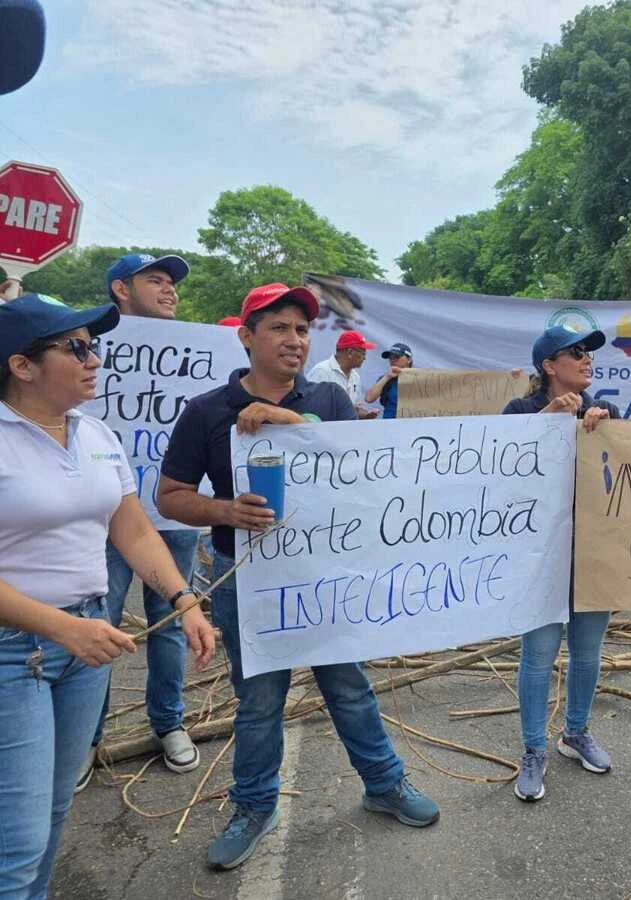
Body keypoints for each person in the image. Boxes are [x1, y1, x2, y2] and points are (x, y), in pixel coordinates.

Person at [157, 283, 439, 871]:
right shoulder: (208, 411)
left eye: (303, 330)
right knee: (259, 700)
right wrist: (224, 510)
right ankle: (255, 806)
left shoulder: (329, 401)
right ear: (247, 337)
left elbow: (361, 477)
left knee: (349, 685)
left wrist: (292, 420)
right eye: (279, 328)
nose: (294, 340)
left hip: (323, 576)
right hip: (245, 579)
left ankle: (384, 785)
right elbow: (171, 496)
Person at [0, 294, 213, 898]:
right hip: (15, 653)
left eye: (94, 345)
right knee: (14, 841)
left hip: (84, 646)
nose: (95, 358)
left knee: (53, 813)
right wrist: (61, 628)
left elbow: (134, 529)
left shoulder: (96, 433)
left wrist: (184, 599)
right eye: (77, 347)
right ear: (22, 366)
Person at [79, 252, 204, 791]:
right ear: (120, 290)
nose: (169, 289)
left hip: (173, 514)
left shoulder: (204, 354)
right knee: (97, 627)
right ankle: (86, 737)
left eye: (172, 282)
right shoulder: (85, 345)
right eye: (155, 280)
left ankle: (168, 723)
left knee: (172, 623)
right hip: (102, 518)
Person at [502, 325, 618, 802]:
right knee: (538, 657)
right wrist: (548, 420)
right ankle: (533, 750)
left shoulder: (604, 409)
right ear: (549, 366)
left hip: (593, 551)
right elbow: (502, 470)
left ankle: (576, 733)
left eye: (588, 353)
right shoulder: (520, 412)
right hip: (541, 555)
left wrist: (610, 430)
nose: (586, 360)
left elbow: (623, 476)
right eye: (575, 353)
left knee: (588, 653)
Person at [306, 330, 379, 419]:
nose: (364, 358)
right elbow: (308, 408)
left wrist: (365, 415)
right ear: (350, 352)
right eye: (363, 353)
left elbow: (353, 409)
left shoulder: (355, 377)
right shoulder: (321, 371)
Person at [365, 341, 412, 420]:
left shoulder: (420, 378)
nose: (392, 360)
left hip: (414, 425)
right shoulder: (386, 379)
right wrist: (387, 377)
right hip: (390, 426)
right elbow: (369, 399)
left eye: (397, 357)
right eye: (390, 357)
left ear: (409, 359)